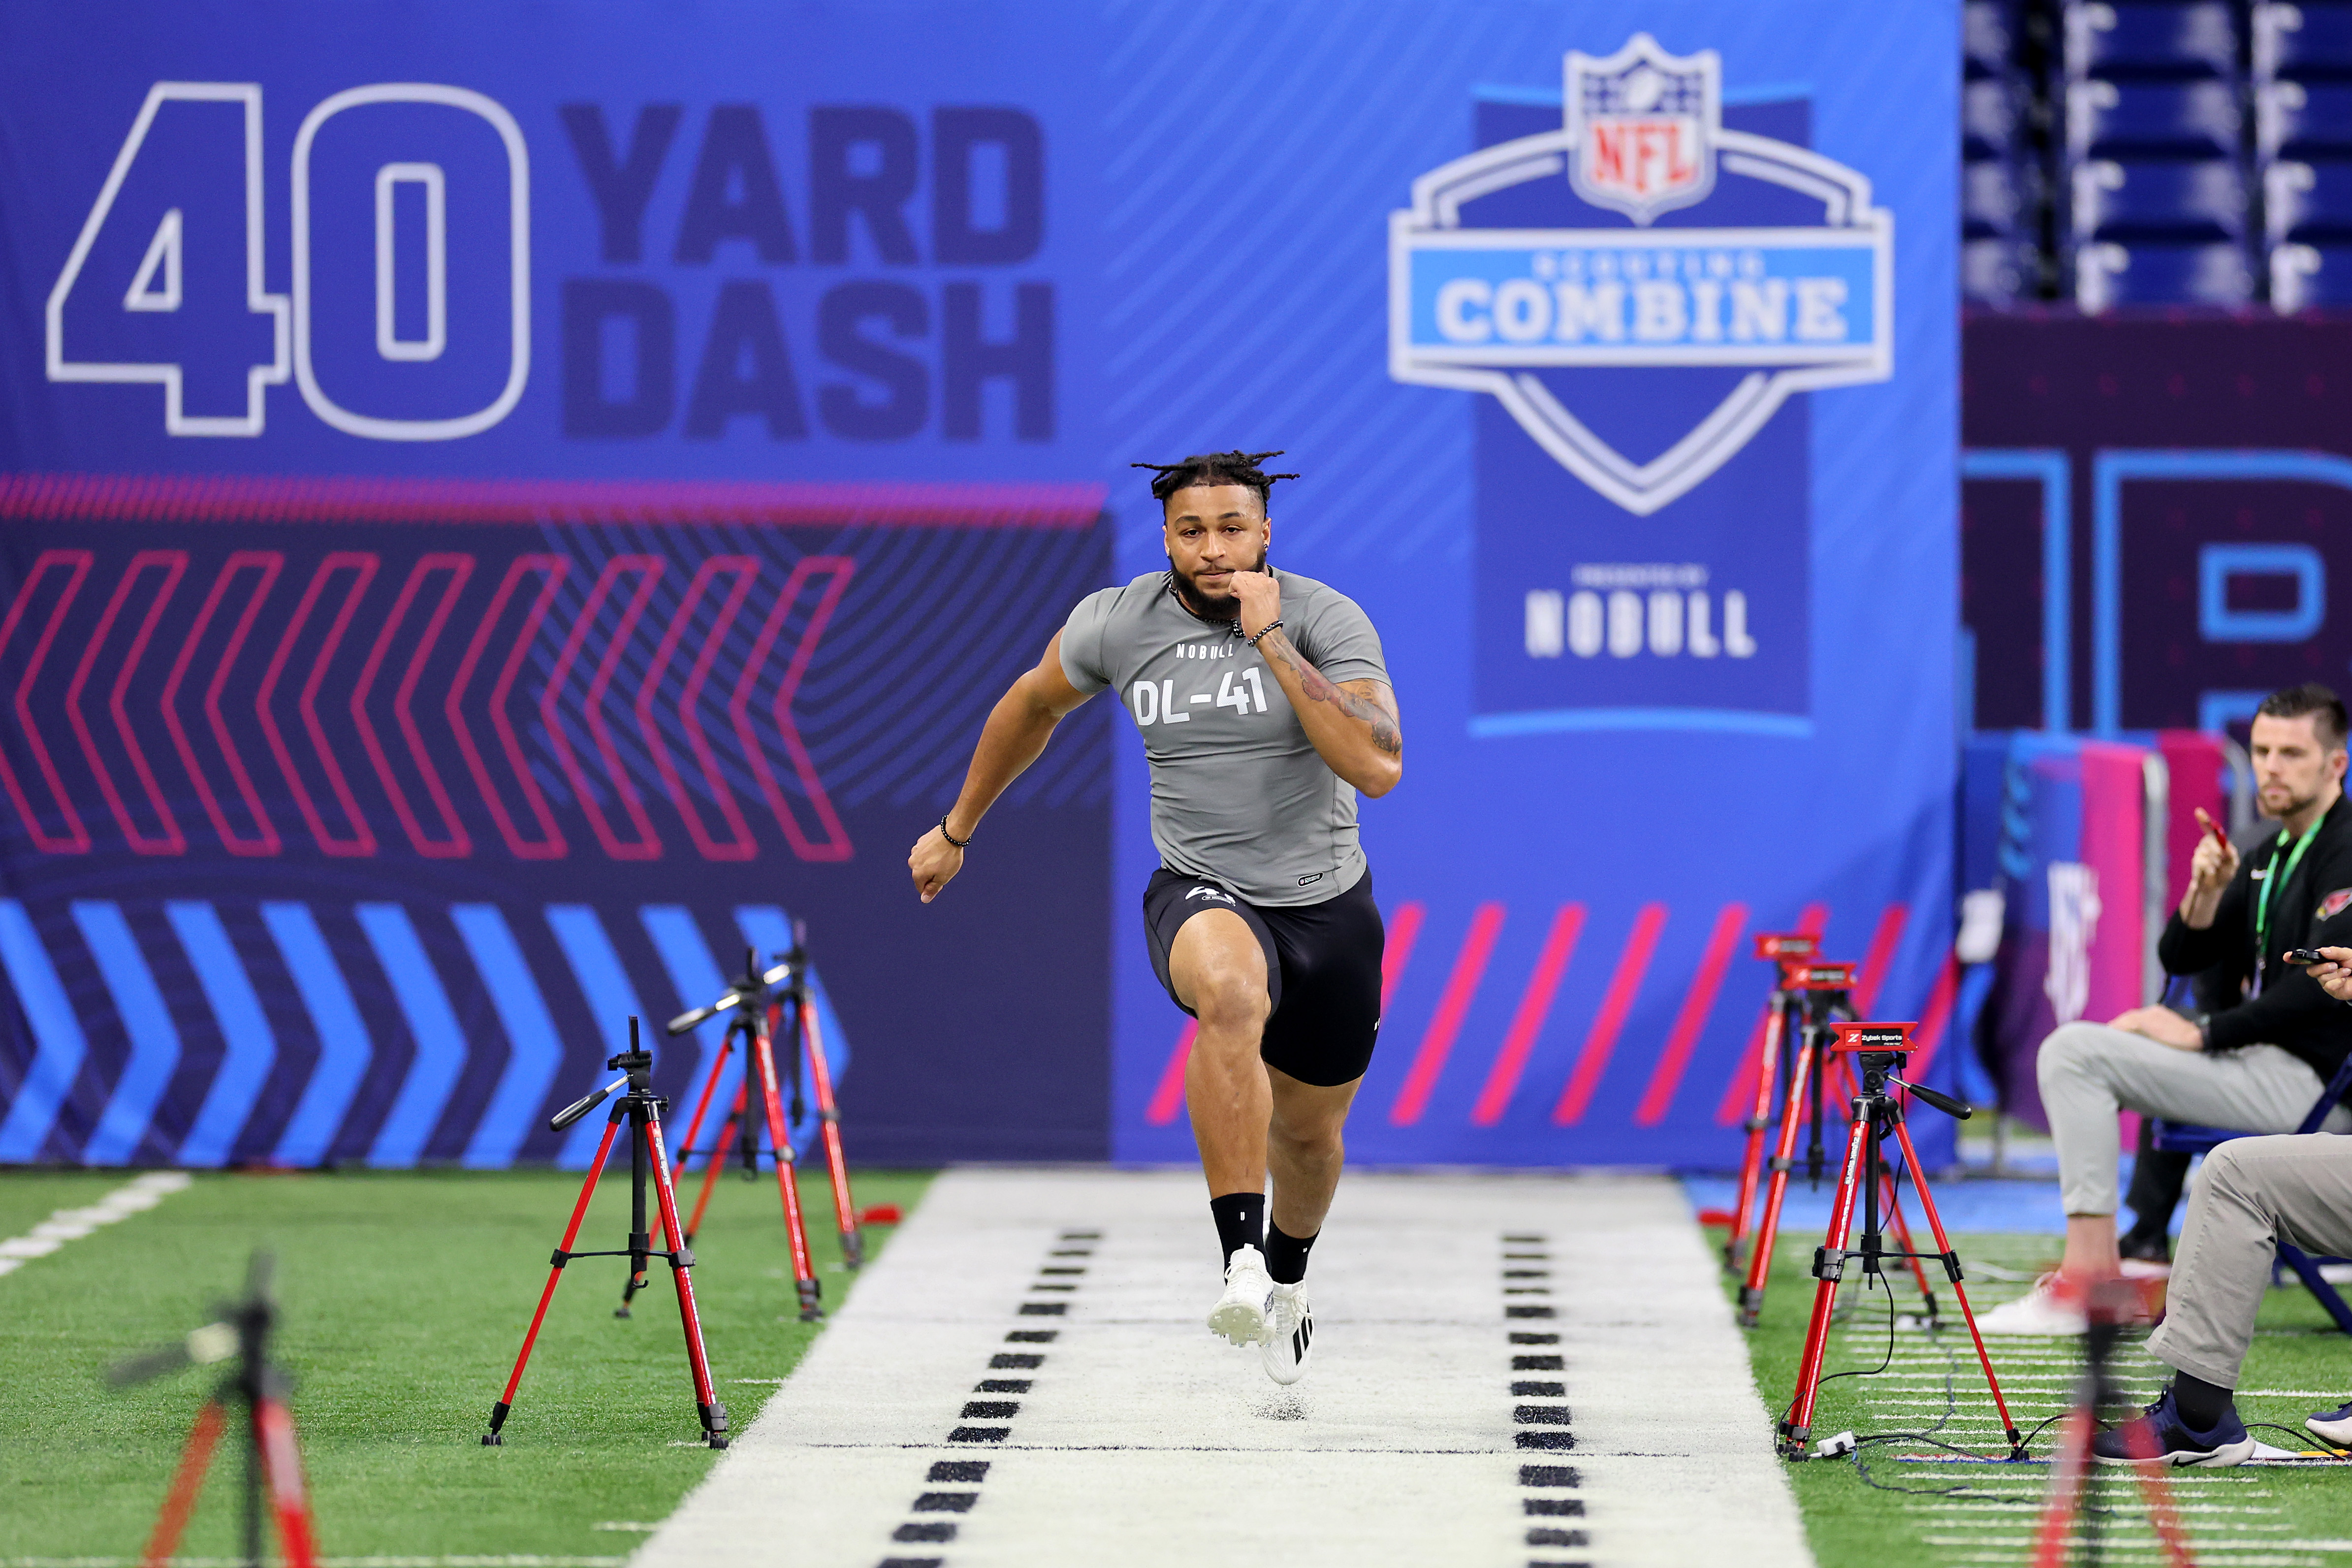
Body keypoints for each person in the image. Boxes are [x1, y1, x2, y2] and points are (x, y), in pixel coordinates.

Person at [906, 449, 1400, 1386]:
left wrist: (1271, 642)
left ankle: (1289, 1276)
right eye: (1190, 531)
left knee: (1308, 1135)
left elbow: (1375, 765)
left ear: (1265, 535)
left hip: (1328, 906)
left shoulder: (1324, 617)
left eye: (1230, 529)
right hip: (1200, 885)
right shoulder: (1117, 621)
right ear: (1165, 539)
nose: (1212, 549)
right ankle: (1241, 1258)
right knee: (1228, 991)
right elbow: (1030, 704)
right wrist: (956, 827)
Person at [1981, 683, 2352, 1334]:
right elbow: (2181, 956)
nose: (2269, 765)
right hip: (2268, 1069)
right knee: (2096, 1049)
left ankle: (2092, 1280)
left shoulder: (2345, 847)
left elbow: (2313, 986)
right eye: (2261, 749)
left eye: (2291, 753)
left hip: (2319, 1092)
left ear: (2335, 765)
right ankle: (2133, 1252)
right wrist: (2203, 895)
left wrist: (2202, 1034)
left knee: (2074, 1054)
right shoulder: (2269, 851)